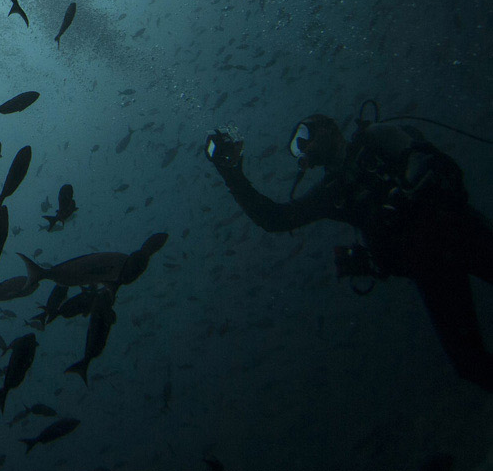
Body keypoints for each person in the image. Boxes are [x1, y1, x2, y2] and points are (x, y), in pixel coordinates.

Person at [205, 111, 493, 391]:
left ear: (329, 127)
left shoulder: (376, 138)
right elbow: (277, 219)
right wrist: (233, 176)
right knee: (470, 364)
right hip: (432, 271)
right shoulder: (335, 190)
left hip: (460, 232)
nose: (303, 147)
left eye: (304, 136)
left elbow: (424, 157)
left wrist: (405, 195)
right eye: (297, 147)